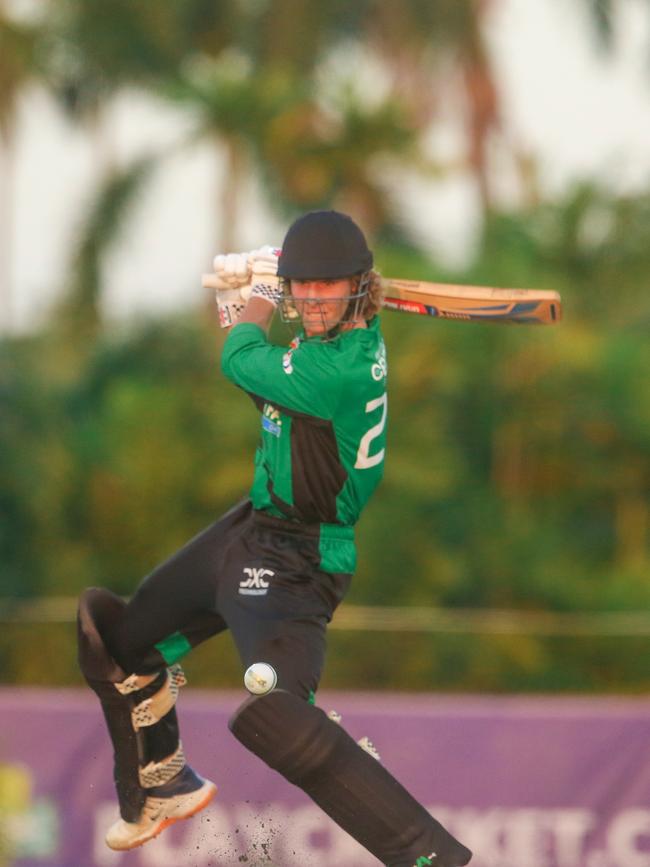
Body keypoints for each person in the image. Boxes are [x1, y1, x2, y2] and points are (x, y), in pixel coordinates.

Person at [77, 210, 472, 867]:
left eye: (327, 285)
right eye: (300, 285)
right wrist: (244, 297)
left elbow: (239, 359)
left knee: (278, 714)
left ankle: (427, 854)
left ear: (357, 286)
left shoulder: (340, 371)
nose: (311, 299)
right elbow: (266, 384)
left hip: (302, 558)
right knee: (114, 641)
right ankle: (161, 781)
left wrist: (256, 295)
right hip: (250, 529)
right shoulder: (328, 351)